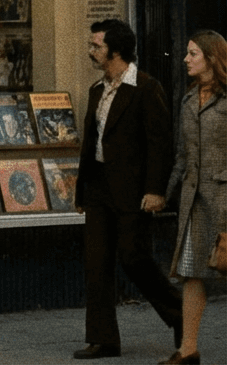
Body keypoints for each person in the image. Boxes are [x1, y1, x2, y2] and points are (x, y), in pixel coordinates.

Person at [73, 19, 181, 360]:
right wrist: (82, 192)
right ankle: (103, 338)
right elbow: (90, 145)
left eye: (97, 46)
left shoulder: (146, 88)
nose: (91, 51)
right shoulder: (97, 89)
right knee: (96, 262)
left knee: (134, 257)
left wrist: (156, 190)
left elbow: (160, 144)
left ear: (116, 51)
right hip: (98, 187)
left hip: (133, 190)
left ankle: (180, 313)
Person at [162, 30, 227, 365]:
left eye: (193, 53)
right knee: (191, 272)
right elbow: (182, 156)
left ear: (212, 58)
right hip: (196, 202)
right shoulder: (188, 100)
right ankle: (188, 350)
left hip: (224, 199)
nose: (186, 59)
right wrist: (165, 194)